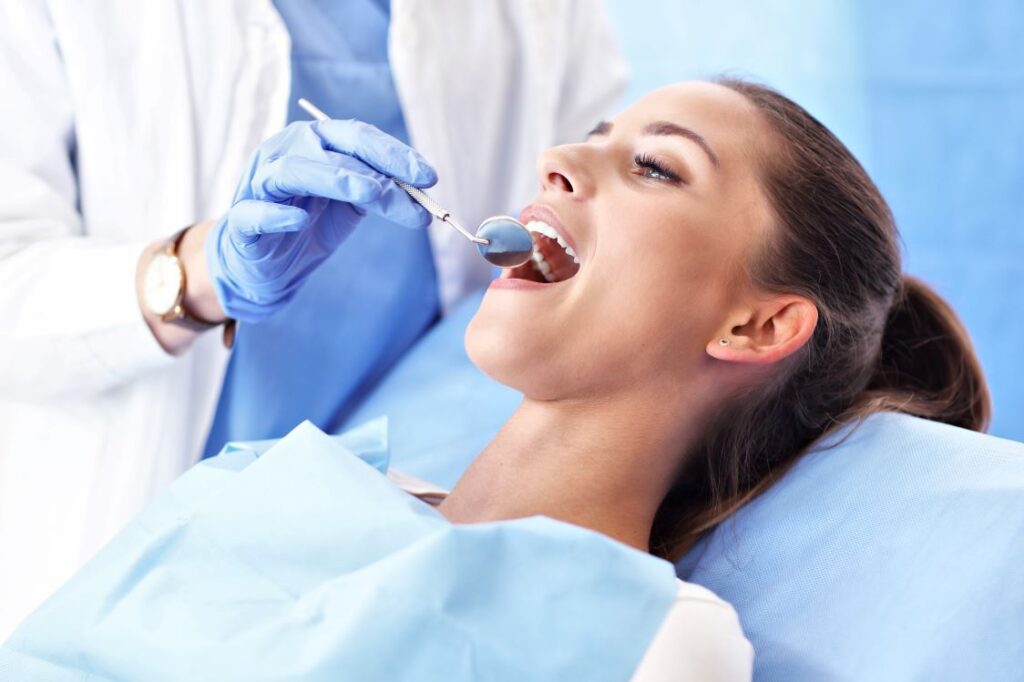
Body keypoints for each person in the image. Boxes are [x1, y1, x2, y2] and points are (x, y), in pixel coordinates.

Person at [1, 78, 990, 681]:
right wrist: (195, 270)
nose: (555, 158)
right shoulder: (271, 477)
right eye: (587, 137)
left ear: (759, 322)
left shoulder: (655, 642)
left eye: (653, 167)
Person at [0, 0, 626, 636]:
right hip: (125, 521)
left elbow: (594, 207)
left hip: (377, 548)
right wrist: (198, 274)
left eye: (656, 169)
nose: (564, 170)